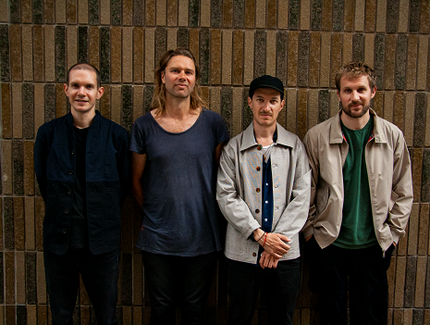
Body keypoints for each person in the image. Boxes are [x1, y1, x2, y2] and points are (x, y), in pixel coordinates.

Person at [303, 61, 413, 325]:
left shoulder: (392, 136)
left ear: (373, 91)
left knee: (372, 317)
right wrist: (310, 235)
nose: (355, 97)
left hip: (374, 246)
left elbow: (403, 190)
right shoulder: (317, 136)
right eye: (348, 90)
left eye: (361, 90)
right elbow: (305, 190)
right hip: (330, 245)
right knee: (331, 317)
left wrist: (393, 235)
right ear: (339, 94)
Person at [130, 48, 229, 325]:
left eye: (189, 72)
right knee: (160, 309)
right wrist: (151, 215)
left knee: (194, 309)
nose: (182, 76)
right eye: (175, 70)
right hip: (158, 238)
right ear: (163, 77)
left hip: (203, 235)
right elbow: (136, 180)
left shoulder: (213, 123)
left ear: (195, 79)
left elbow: (224, 179)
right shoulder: (143, 126)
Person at [34, 63, 131, 324]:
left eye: (89, 86)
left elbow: (122, 186)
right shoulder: (47, 134)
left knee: (106, 316)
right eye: (75, 85)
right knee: (61, 316)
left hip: (102, 245)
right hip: (59, 243)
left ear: (100, 92)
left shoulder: (117, 137)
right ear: (66, 90)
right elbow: (45, 182)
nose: (81, 92)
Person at [216, 75, 312, 325]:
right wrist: (260, 236)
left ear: (282, 104)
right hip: (241, 255)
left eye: (273, 100)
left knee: (282, 318)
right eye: (260, 99)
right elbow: (226, 195)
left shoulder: (295, 147)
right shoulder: (233, 149)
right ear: (249, 102)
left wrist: (276, 242)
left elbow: (302, 197)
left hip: (284, 253)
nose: (266, 107)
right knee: (239, 317)